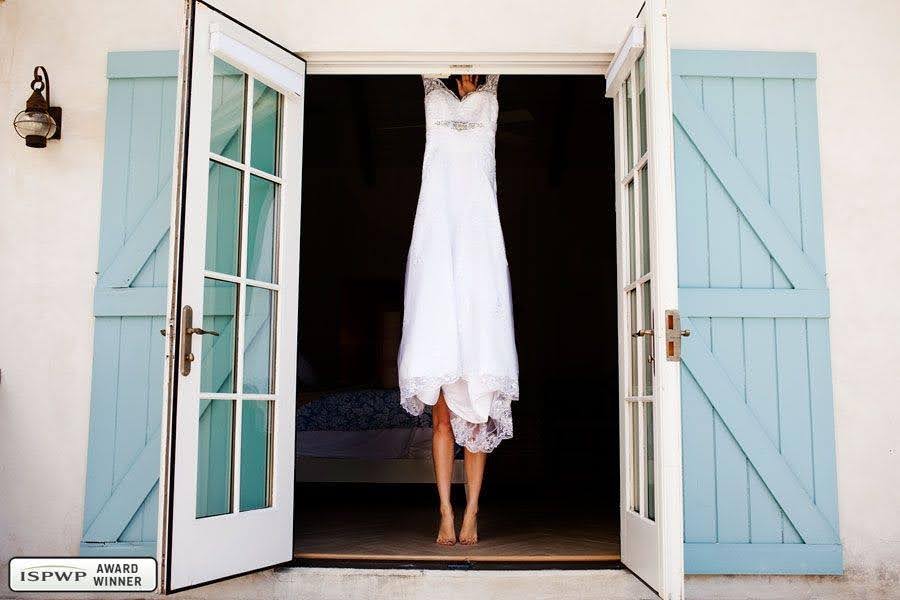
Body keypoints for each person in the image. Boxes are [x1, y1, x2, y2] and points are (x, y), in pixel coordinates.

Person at [398, 74, 519, 545]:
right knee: (443, 418)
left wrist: (476, 92)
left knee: (478, 411)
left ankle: (472, 511)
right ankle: (445, 511)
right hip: (438, 245)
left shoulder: (491, 92)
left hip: (478, 248)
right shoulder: (432, 87)